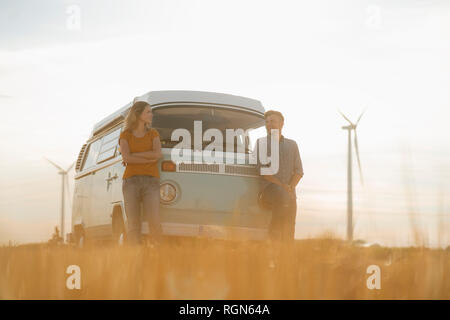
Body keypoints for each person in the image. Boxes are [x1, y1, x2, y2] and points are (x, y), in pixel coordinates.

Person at [254, 110, 303, 242]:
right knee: (283, 195)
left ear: (282, 123)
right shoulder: (261, 143)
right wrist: (284, 187)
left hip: (288, 192)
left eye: (273, 121)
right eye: (267, 122)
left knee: (290, 222)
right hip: (268, 191)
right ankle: (273, 238)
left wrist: (290, 187)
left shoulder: (292, 145)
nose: (269, 124)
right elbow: (263, 172)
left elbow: (299, 171)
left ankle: (286, 256)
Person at [119, 99, 163, 245]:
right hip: (130, 182)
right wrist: (147, 157)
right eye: (148, 112)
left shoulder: (153, 133)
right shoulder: (125, 135)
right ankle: (134, 258)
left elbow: (157, 155)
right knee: (133, 225)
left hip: (151, 182)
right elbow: (126, 157)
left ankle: (157, 257)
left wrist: (134, 156)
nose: (151, 114)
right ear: (138, 115)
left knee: (154, 222)